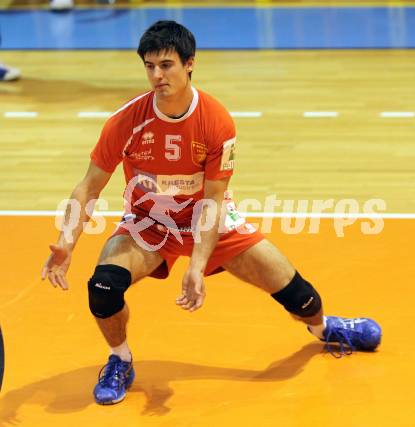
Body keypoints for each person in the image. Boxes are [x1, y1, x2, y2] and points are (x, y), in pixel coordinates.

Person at [41, 20, 381, 406]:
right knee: (103, 287)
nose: (157, 75)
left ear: (189, 64)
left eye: (166, 65)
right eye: (149, 66)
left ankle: (324, 329)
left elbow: (213, 202)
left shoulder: (216, 121)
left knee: (300, 295)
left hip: (207, 218)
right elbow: (88, 187)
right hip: (150, 223)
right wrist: (67, 243)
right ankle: (120, 359)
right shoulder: (125, 121)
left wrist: (198, 266)